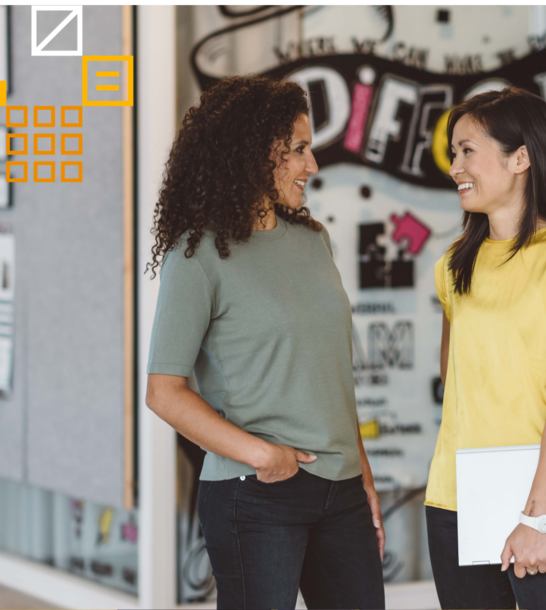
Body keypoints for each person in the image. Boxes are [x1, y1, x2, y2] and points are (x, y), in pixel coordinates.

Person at [143, 76, 385, 610]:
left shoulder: (312, 239)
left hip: (341, 488)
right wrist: (261, 454)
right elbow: (163, 391)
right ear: (252, 153)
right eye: (298, 150)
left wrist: (362, 475)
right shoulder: (197, 255)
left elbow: (327, 374)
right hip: (256, 492)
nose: (311, 165)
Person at [426, 87, 546, 610]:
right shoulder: (453, 265)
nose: (455, 166)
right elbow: (453, 381)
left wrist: (537, 517)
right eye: (453, 151)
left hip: (545, 504)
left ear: (521, 158)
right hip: (455, 499)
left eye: (467, 150)